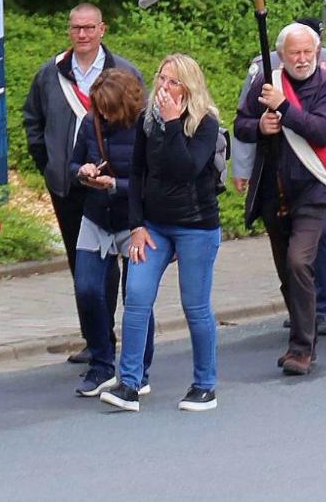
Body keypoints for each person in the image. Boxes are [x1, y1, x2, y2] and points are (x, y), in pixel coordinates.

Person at [104, 53, 225, 413]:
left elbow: (187, 168)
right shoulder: (146, 121)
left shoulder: (205, 123)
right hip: (154, 226)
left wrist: (173, 124)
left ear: (188, 87)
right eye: (161, 79)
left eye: (173, 82)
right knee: (137, 298)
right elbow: (137, 174)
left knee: (195, 306)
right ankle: (130, 382)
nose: (165, 88)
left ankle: (205, 385)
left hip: (196, 227)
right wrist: (136, 226)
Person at [22, 4, 142, 365]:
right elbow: (33, 121)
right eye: (76, 28)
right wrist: (51, 167)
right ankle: (96, 338)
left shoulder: (124, 71)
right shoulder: (50, 74)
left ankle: (131, 337)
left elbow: (143, 125)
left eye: (89, 28)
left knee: (123, 266)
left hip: (118, 185)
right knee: (84, 265)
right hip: (69, 185)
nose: (82, 34)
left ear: (102, 29)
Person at [235, 23, 326, 376]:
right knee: (287, 270)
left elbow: (323, 131)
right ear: (282, 55)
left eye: (307, 52)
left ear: (316, 52)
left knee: (301, 263)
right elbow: (240, 123)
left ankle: (302, 349)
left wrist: (284, 108)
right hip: (272, 191)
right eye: (294, 53)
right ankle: (303, 337)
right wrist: (259, 127)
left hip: (311, 189)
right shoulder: (267, 81)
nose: (301, 60)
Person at [66, 69, 147, 397]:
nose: (103, 115)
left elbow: (152, 183)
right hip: (96, 215)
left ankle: (139, 368)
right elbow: (72, 166)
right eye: (99, 108)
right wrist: (82, 172)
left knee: (137, 296)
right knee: (87, 289)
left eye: (109, 109)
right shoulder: (90, 122)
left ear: (126, 104)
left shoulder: (146, 125)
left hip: (135, 221)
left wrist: (115, 185)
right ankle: (101, 363)